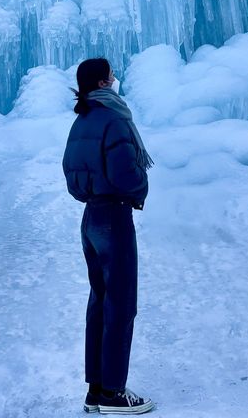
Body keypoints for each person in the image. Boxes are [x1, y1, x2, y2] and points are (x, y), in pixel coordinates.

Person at [62, 58, 155, 415]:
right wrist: (141, 186)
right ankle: (113, 393)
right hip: (114, 217)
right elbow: (125, 172)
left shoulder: (81, 120)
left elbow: (71, 173)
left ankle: (96, 389)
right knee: (121, 305)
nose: (116, 79)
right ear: (103, 82)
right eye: (112, 74)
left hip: (90, 219)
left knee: (100, 303)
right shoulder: (115, 117)